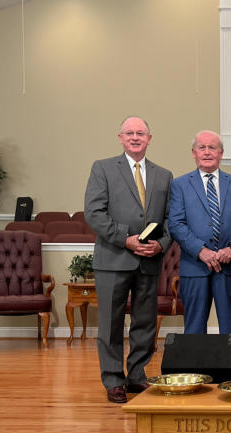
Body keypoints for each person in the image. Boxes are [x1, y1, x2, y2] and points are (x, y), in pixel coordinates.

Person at [84, 116, 173, 404]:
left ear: (149, 139)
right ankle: (113, 380)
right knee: (110, 323)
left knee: (145, 323)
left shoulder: (164, 175)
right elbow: (94, 213)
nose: (135, 137)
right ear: (120, 137)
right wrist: (125, 239)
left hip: (149, 261)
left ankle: (136, 375)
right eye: (130, 133)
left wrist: (160, 245)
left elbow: (170, 219)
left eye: (141, 133)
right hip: (113, 259)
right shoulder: (103, 168)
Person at [168, 130, 231, 335]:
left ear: (221, 153)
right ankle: (196, 360)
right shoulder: (179, 184)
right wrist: (201, 251)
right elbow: (176, 224)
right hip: (195, 267)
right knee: (194, 330)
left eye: (212, 147)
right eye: (201, 147)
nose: (207, 152)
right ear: (193, 152)